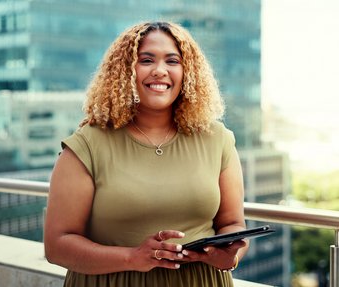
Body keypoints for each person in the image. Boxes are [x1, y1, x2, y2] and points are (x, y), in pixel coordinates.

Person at [44, 21, 248, 287]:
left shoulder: (217, 139)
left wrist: (231, 257)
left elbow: (233, 224)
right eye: (146, 60)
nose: (160, 71)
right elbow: (57, 246)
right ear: (124, 71)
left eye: (172, 61)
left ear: (188, 72)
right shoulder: (87, 145)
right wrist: (132, 257)